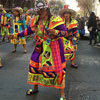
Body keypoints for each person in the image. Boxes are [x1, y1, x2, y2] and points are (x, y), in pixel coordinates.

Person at [9, 0, 69, 100]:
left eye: (42, 10)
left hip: (54, 48)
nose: (40, 12)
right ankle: (35, 88)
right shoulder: (36, 20)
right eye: (38, 10)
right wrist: (16, 35)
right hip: (40, 47)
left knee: (58, 70)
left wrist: (56, 31)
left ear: (47, 9)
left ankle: (62, 95)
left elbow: (66, 33)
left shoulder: (56, 20)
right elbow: (28, 31)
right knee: (34, 66)